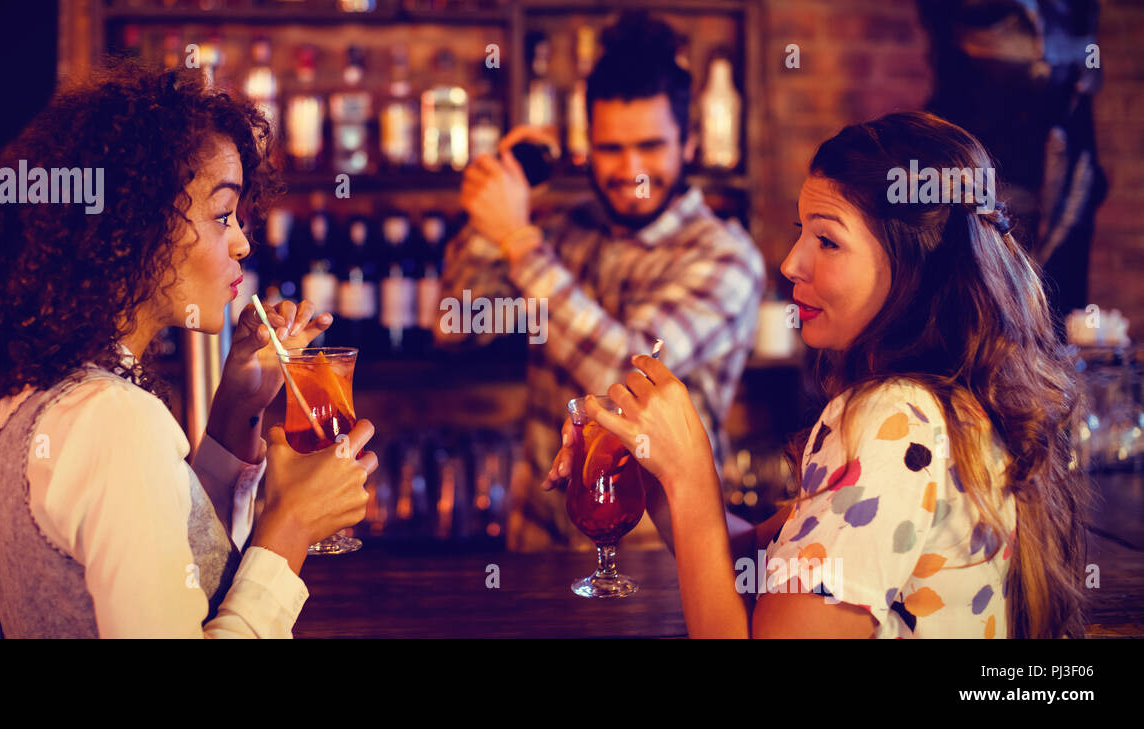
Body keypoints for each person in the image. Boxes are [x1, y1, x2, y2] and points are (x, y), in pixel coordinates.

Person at [545, 111, 1093, 638]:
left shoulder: (894, 420)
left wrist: (688, 471)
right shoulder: (947, 404)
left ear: (913, 266)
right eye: (801, 231)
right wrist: (659, 469)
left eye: (827, 241)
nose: (790, 263)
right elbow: (755, 567)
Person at [0, 62, 377, 638]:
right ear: (131, 227)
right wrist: (290, 525)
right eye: (222, 215)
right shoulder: (112, 419)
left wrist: (236, 407)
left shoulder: (35, 390)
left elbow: (172, 562)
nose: (242, 241)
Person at [439, 11, 765, 550]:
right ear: (589, 144)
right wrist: (489, 215)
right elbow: (457, 328)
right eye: (612, 149)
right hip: (537, 540)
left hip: (657, 557)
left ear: (689, 143)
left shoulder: (725, 257)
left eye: (651, 147)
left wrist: (518, 239)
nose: (631, 169)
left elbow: (626, 377)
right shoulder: (566, 235)